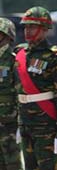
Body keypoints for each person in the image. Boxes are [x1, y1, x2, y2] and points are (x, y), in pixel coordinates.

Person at [14, 7, 57, 170]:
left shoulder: (54, 57)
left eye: (32, 27)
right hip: (25, 123)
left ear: (45, 30)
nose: (27, 31)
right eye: (26, 27)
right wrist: (18, 123)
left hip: (46, 124)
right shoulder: (20, 53)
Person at [0, 17, 20, 170]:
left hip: (9, 123)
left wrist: (21, 122)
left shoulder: (14, 61)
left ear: (7, 36)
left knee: (12, 163)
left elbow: (20, 92)